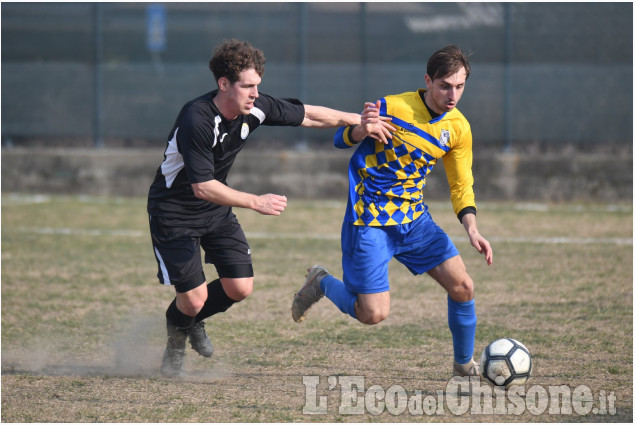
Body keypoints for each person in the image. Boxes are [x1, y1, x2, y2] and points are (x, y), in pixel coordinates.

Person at [147, 39, 393, 378]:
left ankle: (194, 321)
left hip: (215, 210)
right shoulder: (198, 118)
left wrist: (357, 120)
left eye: (257, 85)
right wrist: (255, 202)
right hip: (174, 212)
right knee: (192, 299)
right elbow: (201, 186)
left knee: (240, 287)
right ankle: (176, 345)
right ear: (223, 84)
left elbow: (307, 115)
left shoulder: (256, 107)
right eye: (247, 86)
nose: (255, 93)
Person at [291, 45, 493, 377]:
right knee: (372, 314)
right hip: (369, 219)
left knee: (463, 287)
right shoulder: (393, 106)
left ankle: (463, 365)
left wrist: (472, 228)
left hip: (414, 221)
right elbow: (341, 139)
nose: (452, 94)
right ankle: (322, 282)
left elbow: (461, 185)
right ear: (428, 81)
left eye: (459, 86)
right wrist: (361, 129)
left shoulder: (458, 128)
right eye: (445, 85)